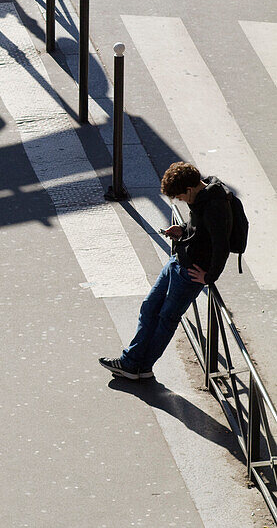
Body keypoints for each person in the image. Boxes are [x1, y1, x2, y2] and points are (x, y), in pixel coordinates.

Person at [99, 161, 233, 382]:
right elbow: (199, 229)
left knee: (166, 319)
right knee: (150, 307)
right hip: (178, 261)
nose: (181, 201)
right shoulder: (202, 195)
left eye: (180, 197)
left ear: (189, 189)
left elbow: (222, 246)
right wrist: (183, 230)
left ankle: (138, 365)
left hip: (190, 272)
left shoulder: (214, 206)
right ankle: (133, 363)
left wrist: (208, 277)